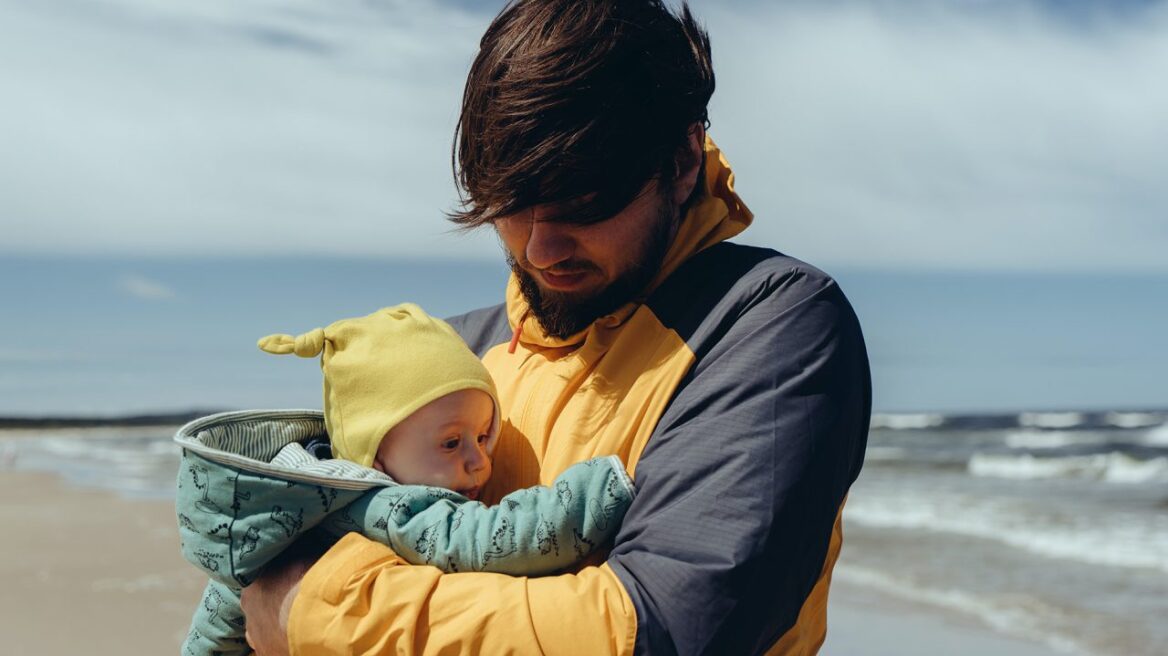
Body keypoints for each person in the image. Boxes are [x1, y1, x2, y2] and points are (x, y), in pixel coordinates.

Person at [242, 1, 871, 654]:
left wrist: (314, 611)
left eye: (583, 203)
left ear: (683, 162)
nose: (540, 250)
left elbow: (665, 626)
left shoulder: (768, 327)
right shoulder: (452, 355)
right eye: (511, 208)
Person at [175, 304, 633, 655]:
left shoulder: (291, 501)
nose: (480, 462)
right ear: (374, 455)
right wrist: (599, 489)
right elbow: (490, 539)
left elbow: (219, 613)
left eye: (483, 435)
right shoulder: (392, 506)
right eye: (451, 444)